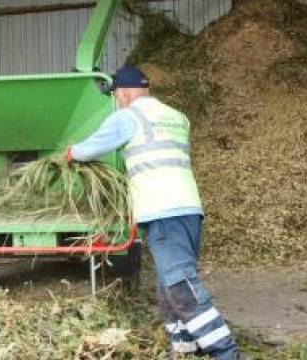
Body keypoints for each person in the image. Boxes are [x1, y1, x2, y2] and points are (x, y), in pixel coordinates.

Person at [67, 67, 243, 360]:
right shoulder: (176, 117)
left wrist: (70, 153)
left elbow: (89, 149)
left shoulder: (128, 117)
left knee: (180, 285)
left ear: (123, 94)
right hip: (188, 208)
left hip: (163, 210)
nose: (117, 101)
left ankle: (226, 354)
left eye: (116, 97)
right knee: (167, 283)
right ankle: (185, 348)